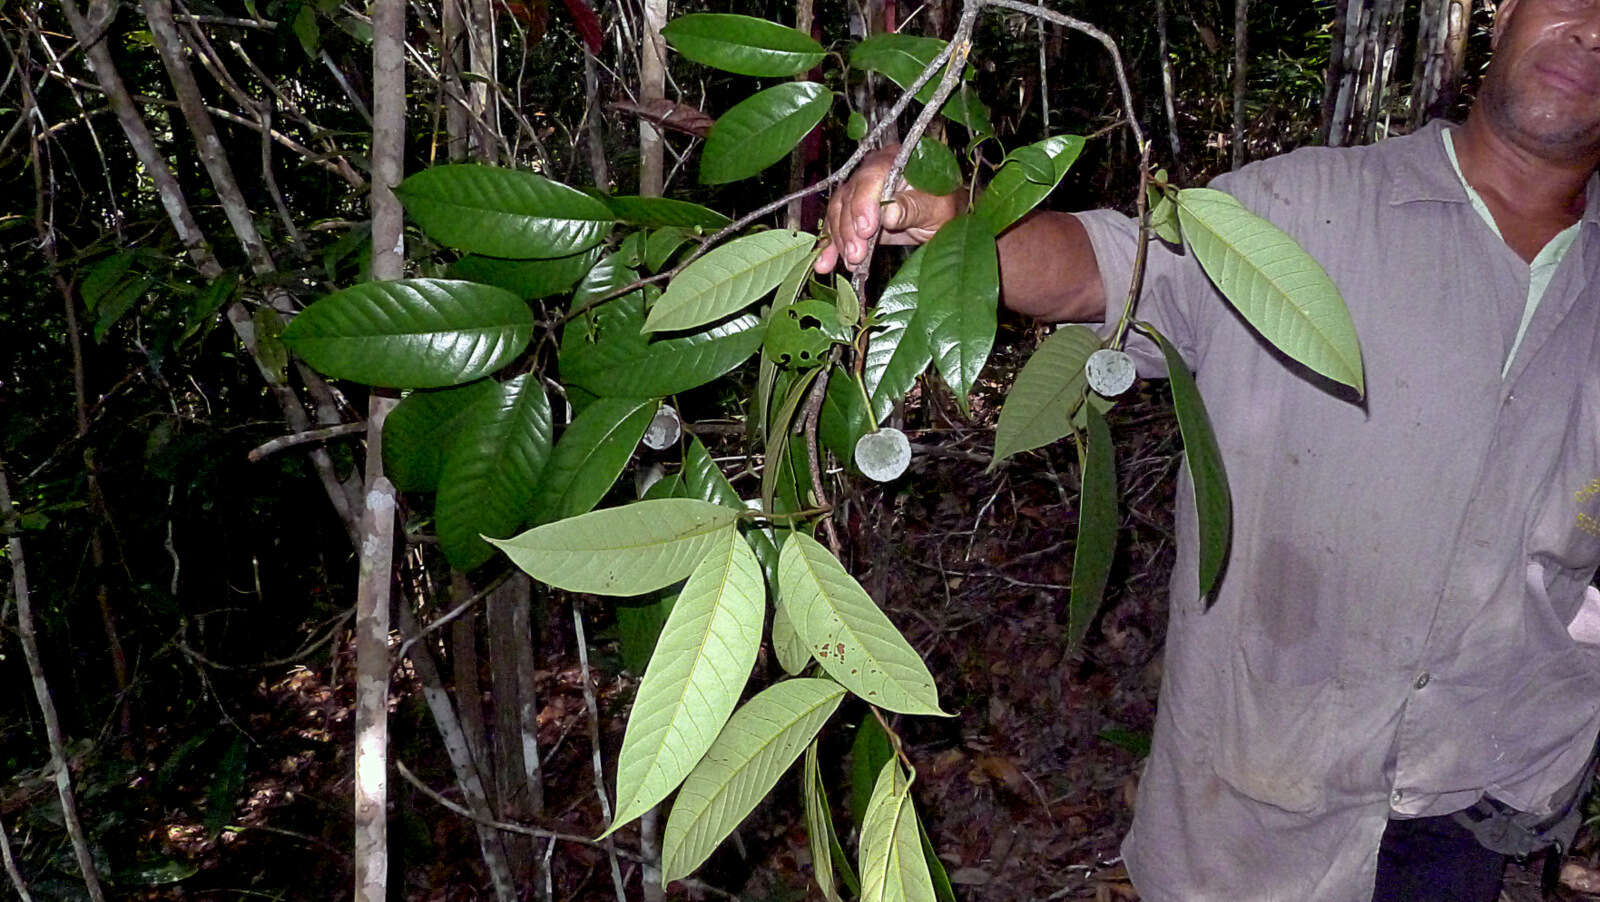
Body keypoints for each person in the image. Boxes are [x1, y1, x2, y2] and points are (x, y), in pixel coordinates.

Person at [816, 1, 1600, 899]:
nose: (1593, 31)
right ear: (1502, 10)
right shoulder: (1303, 210)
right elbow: (1100, 266)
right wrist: (953, 227)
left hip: (1479, 799)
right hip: (1260, 806)